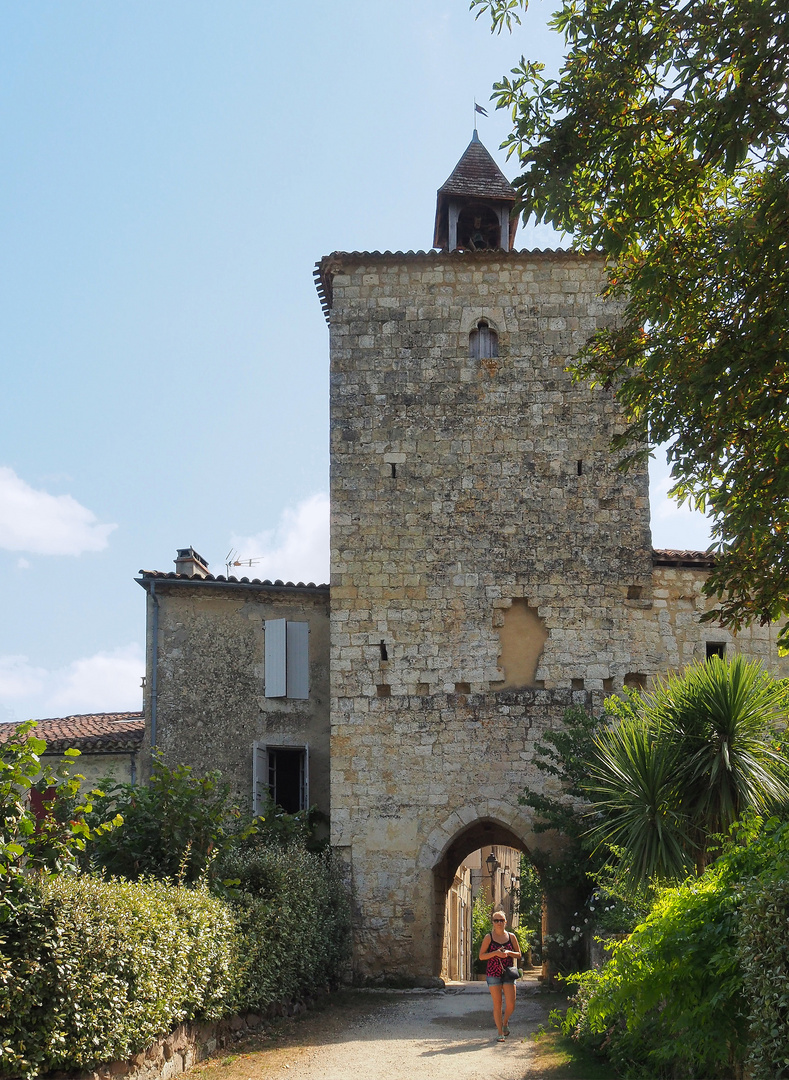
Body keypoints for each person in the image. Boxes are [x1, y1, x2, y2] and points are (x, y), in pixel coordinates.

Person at [479, 910, 521, 1042]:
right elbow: (481, 956)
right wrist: (496, 953)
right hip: (493, 973)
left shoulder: (511, 936)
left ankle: (505, 1022)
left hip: (508, 973)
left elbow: (519, 954)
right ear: (493, 922)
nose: (499, 923)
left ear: (505, 922)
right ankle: (499, 1032)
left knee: (511, 1003)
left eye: (501, 920)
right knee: (497, 1003)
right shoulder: (488, 938)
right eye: (496, 920)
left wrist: (508, 952)